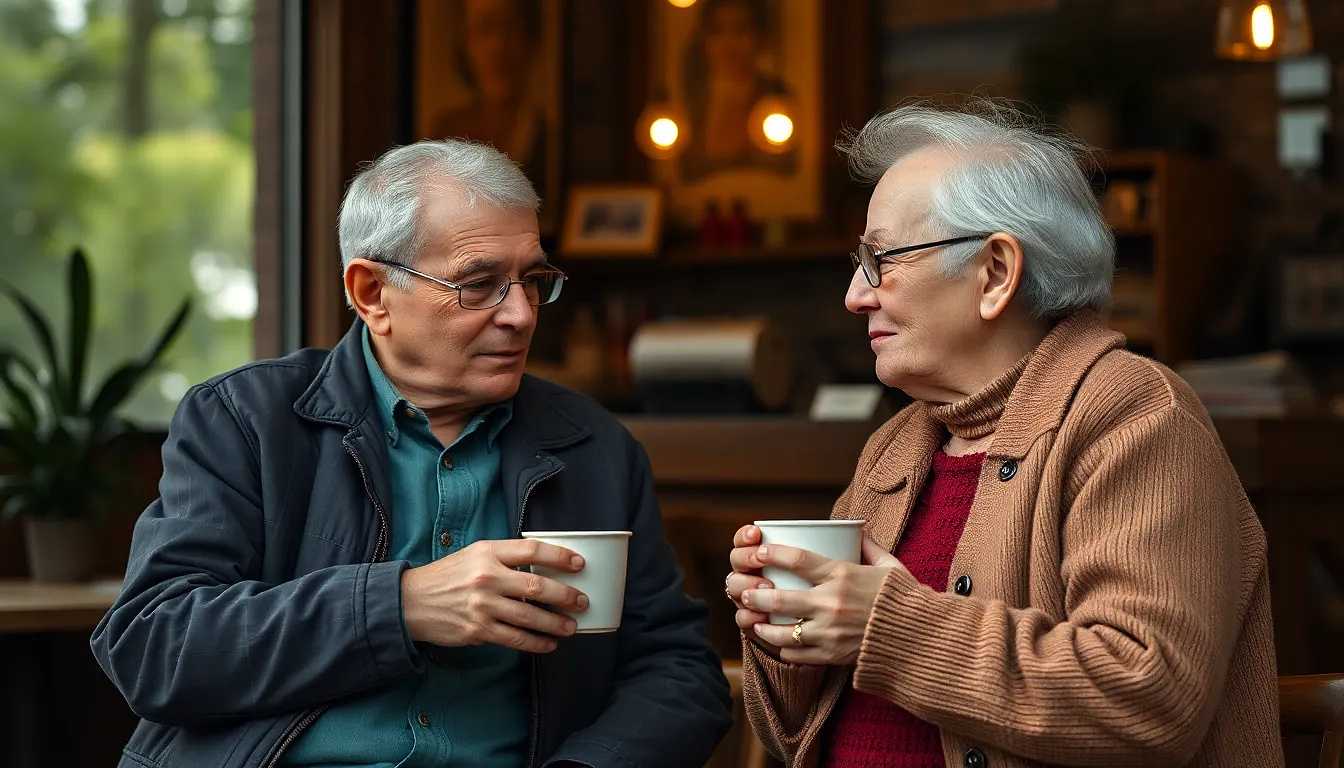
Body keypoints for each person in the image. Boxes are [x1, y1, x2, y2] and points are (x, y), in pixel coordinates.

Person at [91, 139, 731, 768]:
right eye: (479, 284)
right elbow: (154, 646)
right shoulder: (245, 419)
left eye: (533, 281)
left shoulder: (595, 447)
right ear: (372, 293)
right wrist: (401, 606)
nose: (521, 315)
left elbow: (677, 670)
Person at [725, 101, 1283, 767]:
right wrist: (787, 630)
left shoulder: (1136, 417)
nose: (855, 296)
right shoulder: (897, 444)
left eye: (881, 259)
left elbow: (1148, 699)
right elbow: (795, 735)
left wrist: (891, 627)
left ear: (994, 273)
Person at [430, 0, 549, 195]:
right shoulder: (445, 135)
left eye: (510, 27)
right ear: (466, 44)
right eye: (484, 28)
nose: (498, 46)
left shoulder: (549, 137)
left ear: (530, 38)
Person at [680, 0, 796, 182]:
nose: (729, 43)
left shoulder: (776, 97)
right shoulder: (693, 102)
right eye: (718, 31)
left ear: (760, 37)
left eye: (740, 30)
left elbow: (786, 170)